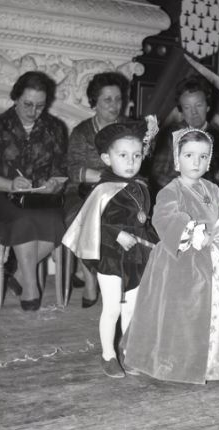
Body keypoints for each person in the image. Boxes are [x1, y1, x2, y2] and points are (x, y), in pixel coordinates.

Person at [124, 128, 219, 384]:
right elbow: (164, 219)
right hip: (180, 263)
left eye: (203, 156)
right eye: (189, 155)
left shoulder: (212, 188)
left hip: (215, 260)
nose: (196, 162)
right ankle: (176, 361)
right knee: (181, 312)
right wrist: (197, 233)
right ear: (177, 159)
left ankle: (215, 362)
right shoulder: (171, 191)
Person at [63, 118, 158, 378]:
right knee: (113, 307)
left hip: (136, 256)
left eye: (136, 155)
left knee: (132, 308)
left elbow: (144, 221)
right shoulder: (104, 190)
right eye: (123, 155)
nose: (131, 161)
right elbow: (93, 223)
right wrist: (117, 234)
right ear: (107, 158)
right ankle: (108, 355)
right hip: (112, 257)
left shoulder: (142, 187)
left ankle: (129, 351)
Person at [0, 71, 67, 311]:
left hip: (42, 198)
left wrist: (54, 184)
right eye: (28, 104)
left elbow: (61, 170)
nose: (33, 111)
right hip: (2, 195)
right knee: (23, 219)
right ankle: (30, 287)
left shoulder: (54, 127)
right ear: (16, 98)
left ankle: (17, 273)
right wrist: (11, 184)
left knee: (58, 221)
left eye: (40, 106)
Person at [63, 71, 130, 307]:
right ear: (95, 102)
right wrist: (103, 176)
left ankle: (122, 280)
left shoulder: (129, 129)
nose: (114, 105)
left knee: (124, 219)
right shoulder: (82, 132)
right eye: (107, 100)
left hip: (120, 193)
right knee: (82, 219)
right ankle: (89, 278)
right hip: (83, 192)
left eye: (118, 99)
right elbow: (72, 169)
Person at [150, 75, 219, 193]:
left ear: (208, 106)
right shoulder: (170, 135)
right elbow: (157, 176)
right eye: (187, 107)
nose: (194, 112)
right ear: (181, 110)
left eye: (199, 105)